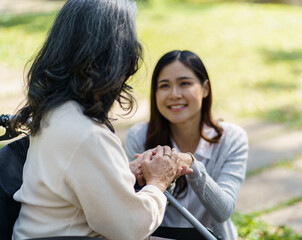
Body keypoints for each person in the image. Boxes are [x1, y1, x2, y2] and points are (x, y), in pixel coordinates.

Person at [11, 1, 189, 239]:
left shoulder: (56, 113)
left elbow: (70, 186)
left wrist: (121, 173)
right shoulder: (86, 133)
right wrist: (157, 182)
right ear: (115, 54)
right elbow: (131, 228)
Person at [125, 50, 249, 240]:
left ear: (205, 88)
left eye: (185, 84)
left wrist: (192, 166)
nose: (174, 94)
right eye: (164, 86)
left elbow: (223, 211)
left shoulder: (232, 139)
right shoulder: (139, 136)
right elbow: (132, 207)